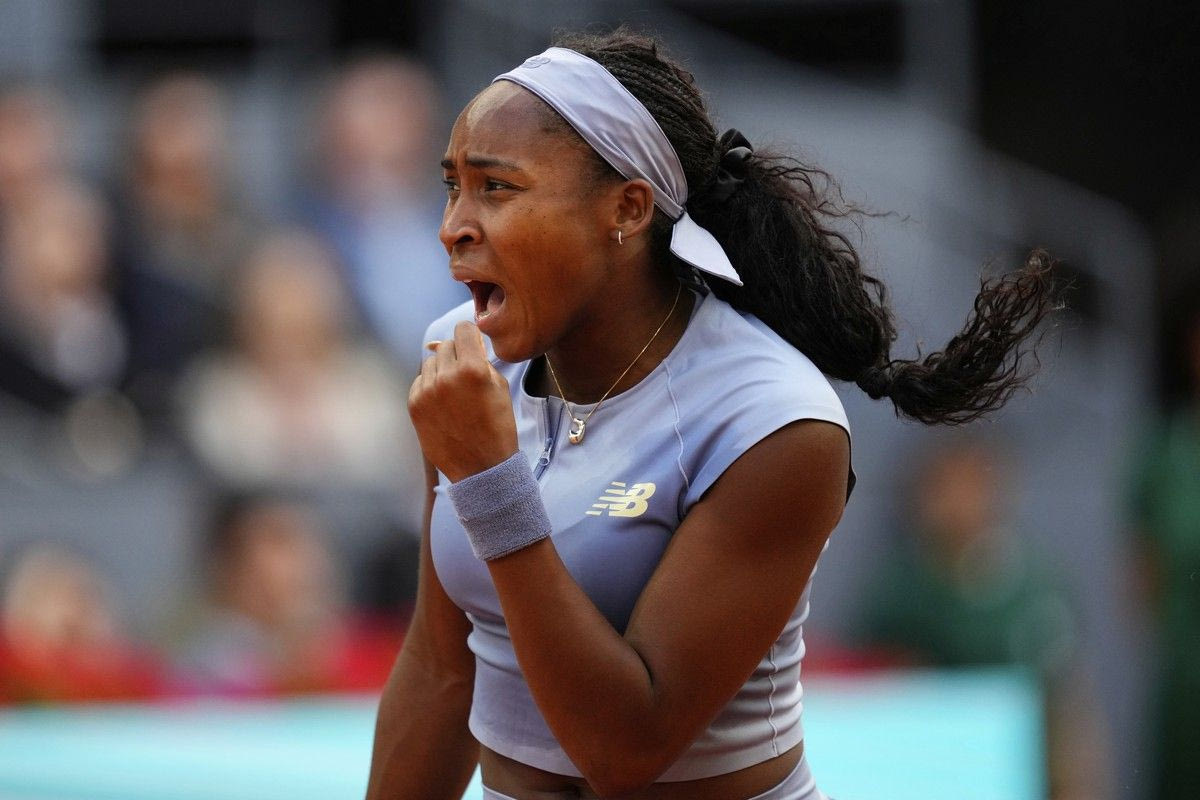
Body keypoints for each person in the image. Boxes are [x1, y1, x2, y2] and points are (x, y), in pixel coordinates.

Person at [366, 29, 1053, 800]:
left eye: (496, 188)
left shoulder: (773, 418)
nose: (453, 225)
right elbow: (441, 666)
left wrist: (492, 481)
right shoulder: (462, 364)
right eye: (452, 186)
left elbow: (626, 749)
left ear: (627, 208)